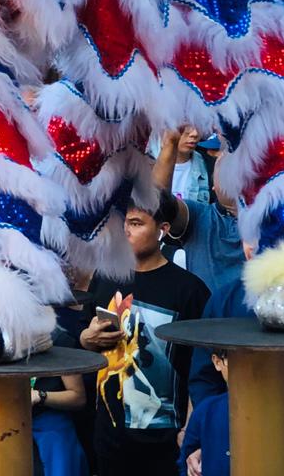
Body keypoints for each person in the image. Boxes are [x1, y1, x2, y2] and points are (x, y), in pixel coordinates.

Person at [79, 197, 210, 472]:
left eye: (136, 223)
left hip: (164, 439)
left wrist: (191, 428)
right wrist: (86, 339)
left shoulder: (189, 291)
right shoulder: (105, 276)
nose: (125, 231)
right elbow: (82, 339)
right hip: (108, 435)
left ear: (162, 229)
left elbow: (200, 368)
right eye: (123, 223)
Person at [154, 126, 245, 294]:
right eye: (223, 161)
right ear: (213, 186)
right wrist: (170, 144)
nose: (229, 165)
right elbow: (158, 202)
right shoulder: (200, 216)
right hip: (201, 319)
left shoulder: (272, 221)